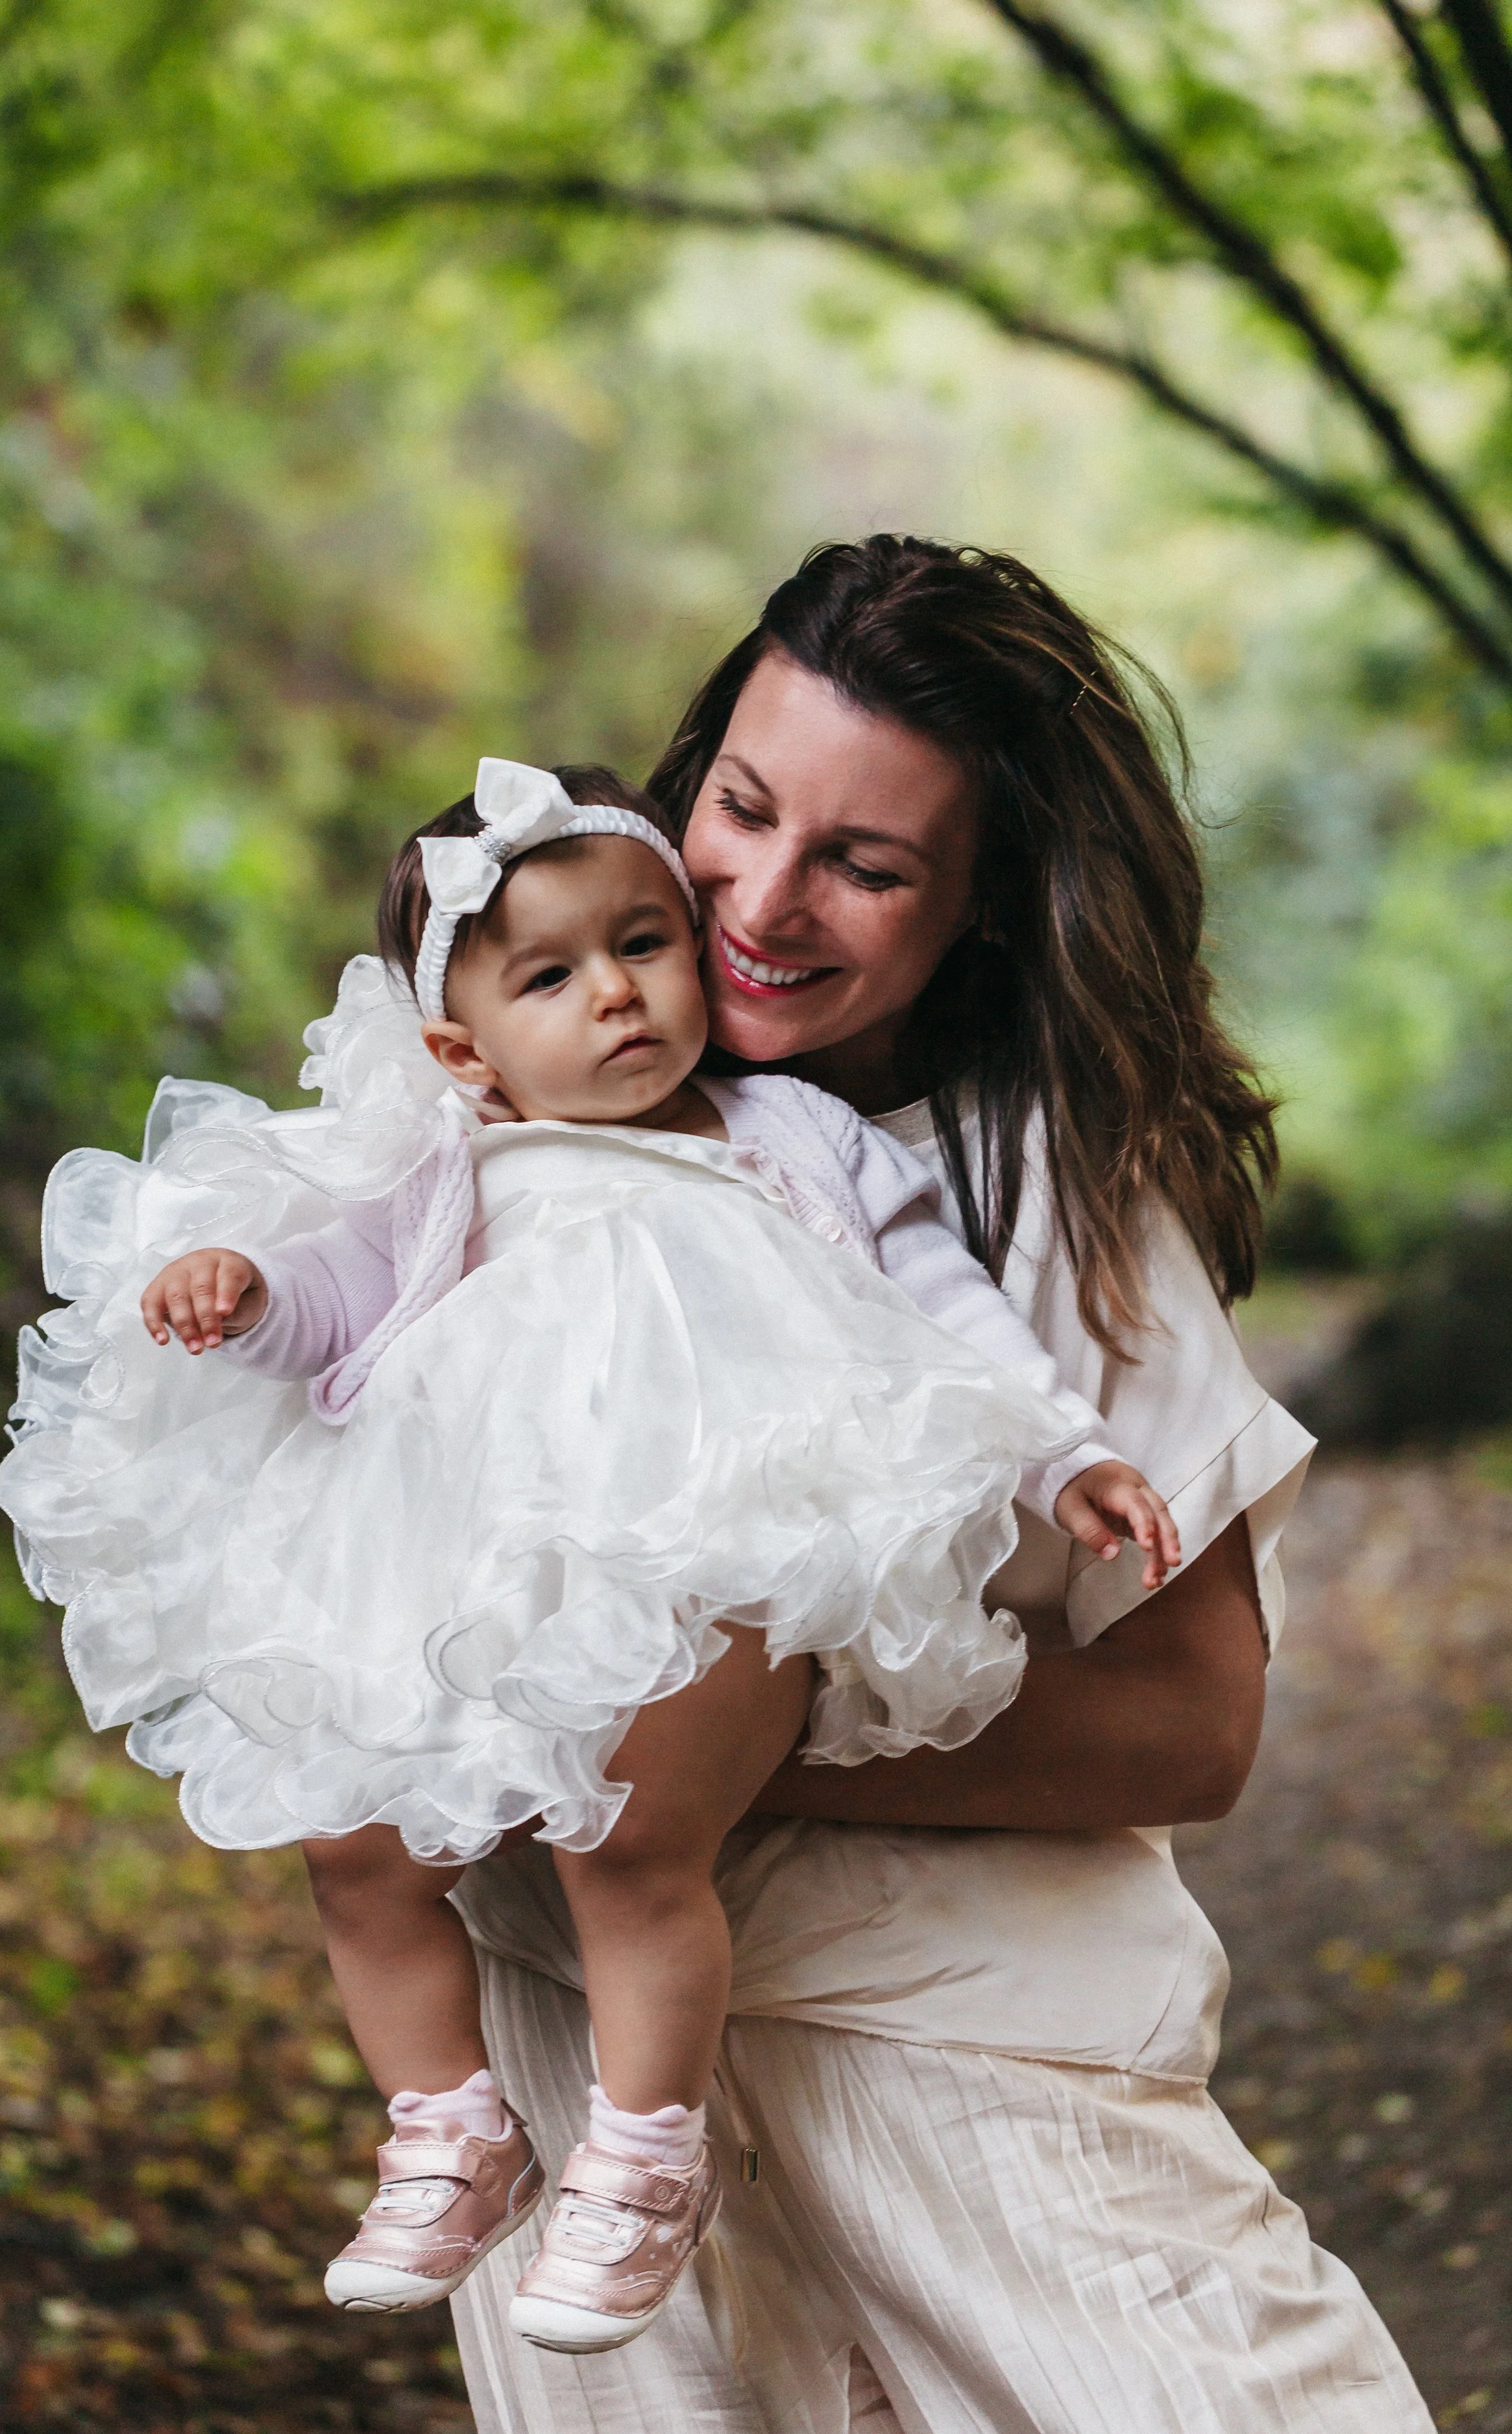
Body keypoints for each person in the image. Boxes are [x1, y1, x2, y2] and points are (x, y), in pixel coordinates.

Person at [0, 751, 1177, 2359]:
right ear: (458, 1044)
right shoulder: (444, 1174)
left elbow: (942, 1309)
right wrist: (246, 1294)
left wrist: (1065, 1450)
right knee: (350, 1841)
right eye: (549, 974)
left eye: (644, 942)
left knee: (625, 1837)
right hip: (473, 1568)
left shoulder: (799, 1137)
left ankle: (640, 2156)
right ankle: (446, 2127)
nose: (614, 996)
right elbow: (330, 1302)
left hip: (733, 1525)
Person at [441, 540, 1437, 2431]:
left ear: (977, 907)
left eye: (866, 863)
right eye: (737, 807)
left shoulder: (1044, 1194)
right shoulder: (484, 1138)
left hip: (969, 2047)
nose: (756, 898)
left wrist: (681, 1746)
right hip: (590, 2076)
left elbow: (1189, 1721)